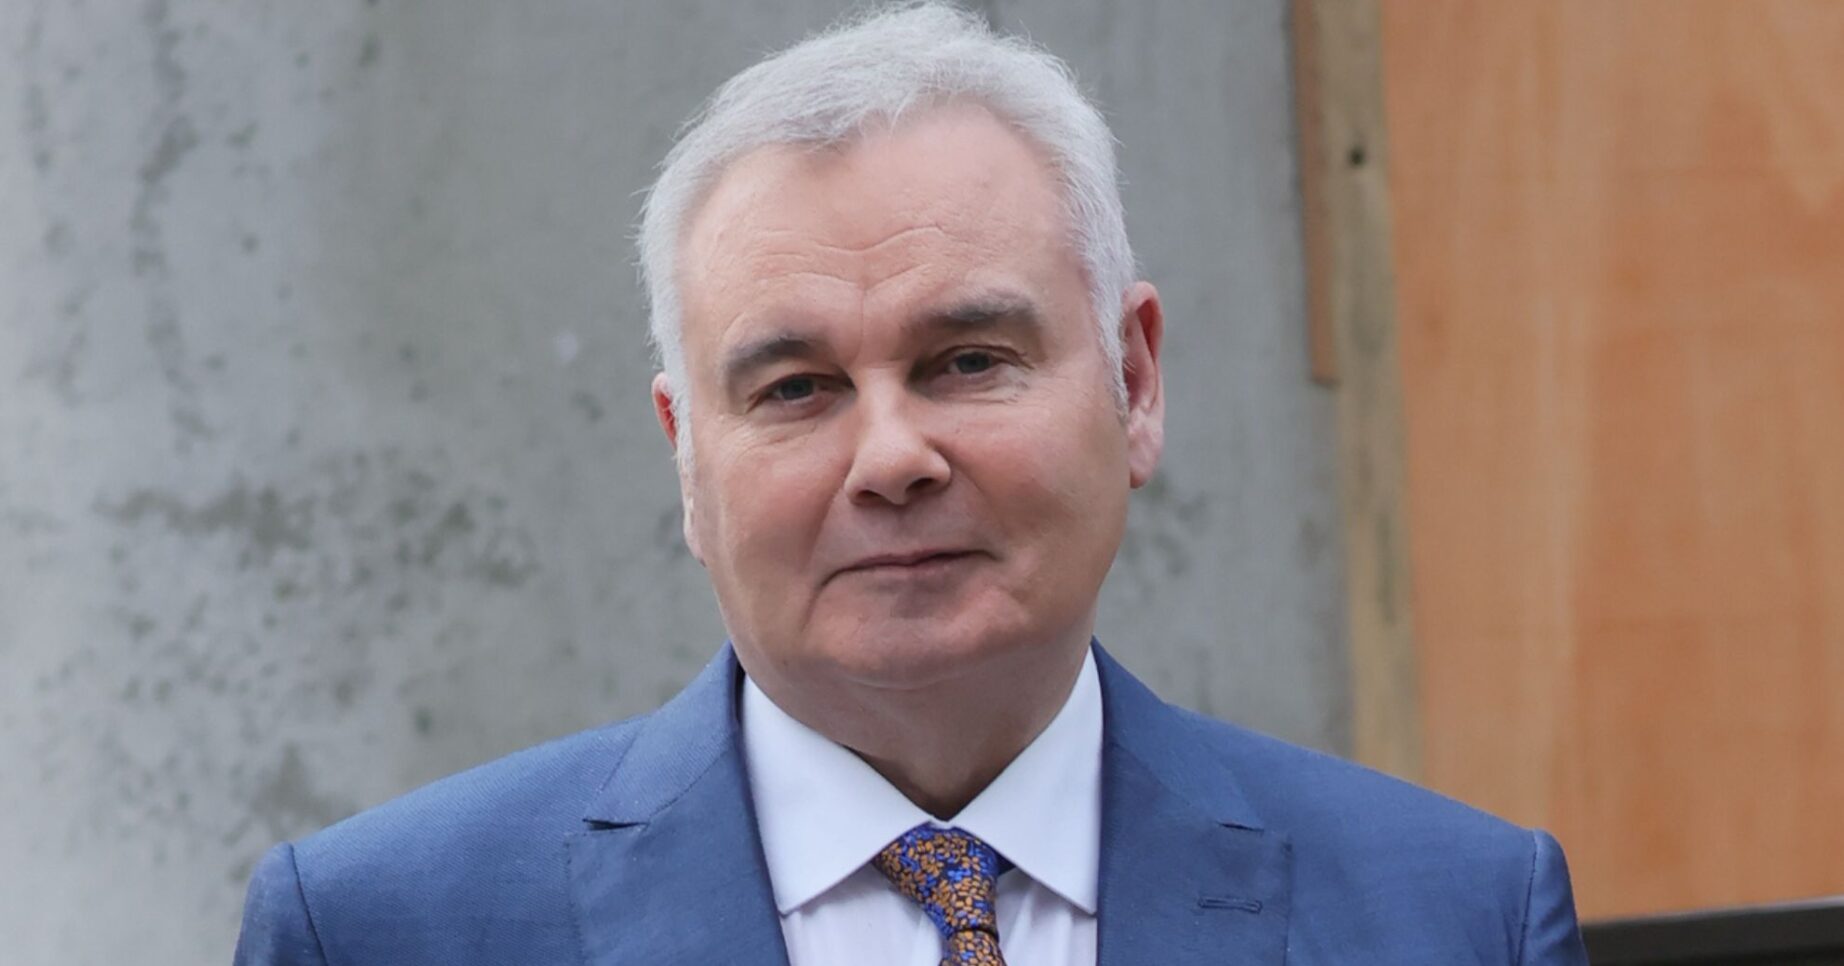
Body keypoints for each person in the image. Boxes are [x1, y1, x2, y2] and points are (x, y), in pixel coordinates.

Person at [233, 4, 1588, 963]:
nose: (891, 458)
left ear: (1137, 380)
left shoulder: (1457, 918)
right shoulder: (381, 930)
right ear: (685, 463)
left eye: (967, 358)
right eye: (795, 389)